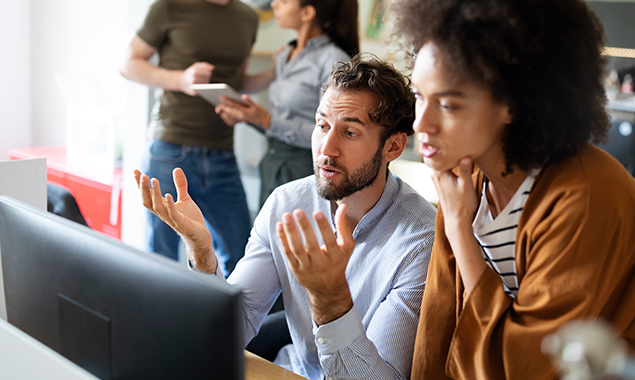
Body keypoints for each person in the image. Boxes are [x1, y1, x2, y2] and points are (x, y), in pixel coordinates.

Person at [388, 0, 635, 379]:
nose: (422, 123)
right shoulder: (466, 177)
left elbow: (528, 366)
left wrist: (460, 232)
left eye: (449, 105)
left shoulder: (584, 197)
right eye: (419, 96)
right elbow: (440, 327)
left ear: (513, 104)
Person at [136, 56, 436, 380]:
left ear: (393, 146)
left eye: (349, 132)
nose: (327, 149)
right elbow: (232, 327)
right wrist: (202, 253)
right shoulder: (286, 203)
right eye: (322, 126)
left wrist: (330, 298)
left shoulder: (421, 242)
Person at [119, 0, 258, 274]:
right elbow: (128, 64)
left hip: (223, 152)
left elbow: (238, 82)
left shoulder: (248, 17)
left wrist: (275, 73)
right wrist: (181, 79)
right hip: (170, 149)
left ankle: (223, 318)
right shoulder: (169, 6)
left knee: (242, 257)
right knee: (162, 257)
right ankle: (164, 318)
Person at [214, 0, 359, 208]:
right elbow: (279, 122)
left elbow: (331, 135)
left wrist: (268, 121)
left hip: (304, 170)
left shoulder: (334, 62)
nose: (274, 4)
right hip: (272, 162)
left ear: (307, 12)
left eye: (283, 1)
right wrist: (249, 118)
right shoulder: (283, 56)